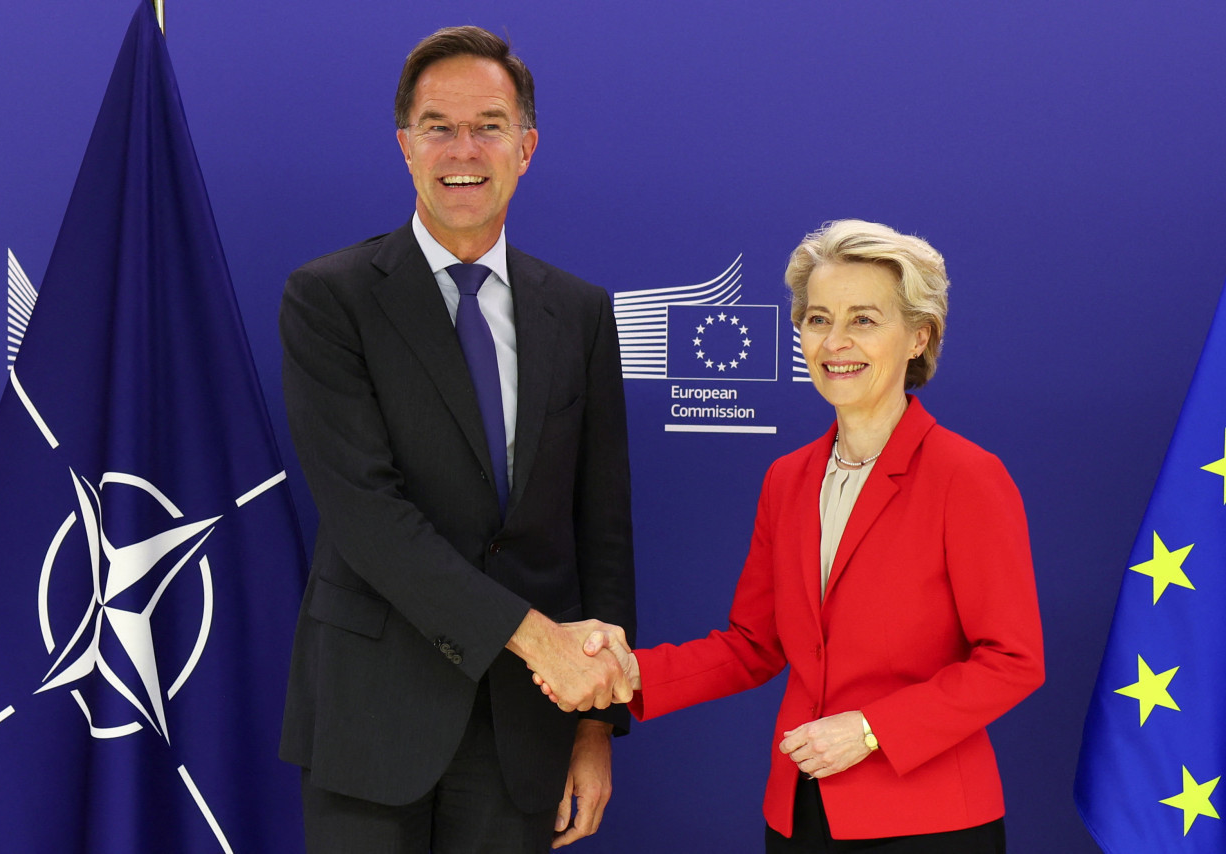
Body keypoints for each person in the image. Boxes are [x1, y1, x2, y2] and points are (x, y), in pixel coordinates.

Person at [550, 220, 1045, 852]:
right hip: (798, 815)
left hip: (928, 821)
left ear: (920, 336)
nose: (834, 341)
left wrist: (870, 729)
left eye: (863, 320)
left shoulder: (967, 476)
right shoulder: (789, 480)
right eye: (817, 319)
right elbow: (753, 646)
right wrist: (630, 674)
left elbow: (1013, 660)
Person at [278, 26, 636, 853]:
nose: (462, 149)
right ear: (405, 145)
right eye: (438, 126)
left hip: (527, 728)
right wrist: (540, 638)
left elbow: (601, 532)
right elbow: (368, 516)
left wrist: (596, 725)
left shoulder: (579, 313)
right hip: (373, 718)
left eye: (489, 125)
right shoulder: (329, 300)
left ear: (526, 146)